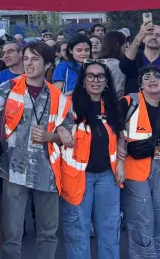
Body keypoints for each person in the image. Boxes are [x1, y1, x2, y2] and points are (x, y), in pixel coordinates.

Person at [0, 41, 73, 259]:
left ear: (47, 65)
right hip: (13, 168)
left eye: (35, 59)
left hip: (48, 171)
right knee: (12, 233)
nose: (28, 63)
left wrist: (52, 136)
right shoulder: (7, 88)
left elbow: (69, 134)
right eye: (26, 58)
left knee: (48, 232)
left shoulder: (58, 97)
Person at [59, 61, 123, 259]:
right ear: (83, 80)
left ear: (106, 81)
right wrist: (60, 128)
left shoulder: (113, 105)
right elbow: (51, 126)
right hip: (77, 177)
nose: (95, 80)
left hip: (108, 176)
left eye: (100, 76)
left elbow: (121, 134)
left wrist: (121, 162)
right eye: (90, 76)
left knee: (110, 230)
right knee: (77, 231)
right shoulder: (68, 104)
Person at [118, 66, 160, 258]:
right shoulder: (128, 102)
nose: (152, 79)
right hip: (134, 167)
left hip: (159, 166)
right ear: (140, 84)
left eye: (158, 77)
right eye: (147, 77)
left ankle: (155, 255)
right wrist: (120, 153)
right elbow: (114, 127)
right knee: (142, 217)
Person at [121, 19, 160, 96]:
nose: (154, 37)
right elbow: (124, 66)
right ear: (143, 39)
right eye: (150, 34)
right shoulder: (135, 59)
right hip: (136, 105)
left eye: (158, 35)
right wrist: (138, 37)